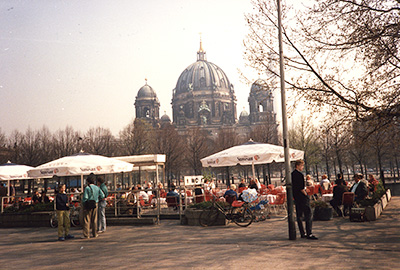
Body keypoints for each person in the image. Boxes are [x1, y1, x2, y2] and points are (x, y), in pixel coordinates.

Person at [292, 160, 318, 240]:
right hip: (302, 198)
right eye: (302, 166)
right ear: (298, 166)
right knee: (308, 215)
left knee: (299, 216)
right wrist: (306, 194)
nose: (302, 167)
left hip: (296, 197)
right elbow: (301, 188)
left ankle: (302, 233)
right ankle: (309, 233)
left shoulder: (292, 174)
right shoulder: (299, 175)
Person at [82, 174, 105, 239]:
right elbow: (102, 195)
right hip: (95, 203)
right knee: (94, 219)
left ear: (88, 182)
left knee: (87, 219)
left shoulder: (87, 188)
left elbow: (85, 197)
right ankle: (95, 233)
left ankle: (86, 234)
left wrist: (83, 203)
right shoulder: (97, 187)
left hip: (88, 204)